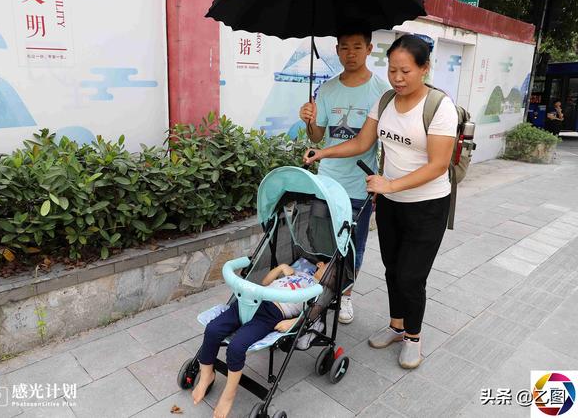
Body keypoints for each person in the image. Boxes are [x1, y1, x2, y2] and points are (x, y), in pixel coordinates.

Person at [304, 34, 458, 369]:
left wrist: (390, 183)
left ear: (425, 68)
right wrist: (323, 151)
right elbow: (362, 141)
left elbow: (438, 164)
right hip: (390, 202)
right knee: (392, 270)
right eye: (392, 71)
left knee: (411, 276)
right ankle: (396, 326)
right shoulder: (386, 101)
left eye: (406, 71)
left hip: (427, 205)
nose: (398, 78)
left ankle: (413, 338)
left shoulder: (440, 106)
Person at [298, 26, 389, 325]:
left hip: (359, 184)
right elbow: (318, 136)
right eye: (345, 47)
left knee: (353, 246)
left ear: (369, 48)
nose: (350, 54)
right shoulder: (326, 89)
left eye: (357, 47)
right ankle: (321, 293)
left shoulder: (381, 91)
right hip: (326, 181)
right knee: (322, 243)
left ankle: (345, 296)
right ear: (337, 50)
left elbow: (371, 143)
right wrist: (310, 120)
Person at [192, 258, 327, 418]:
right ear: (319, 264)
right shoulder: (296, 271)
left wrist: (293, 322)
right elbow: (265, 281)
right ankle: (207, 374)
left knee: (236, 346)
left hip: (272, 313)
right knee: (213, 329)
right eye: (329, 268)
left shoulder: (319, 290)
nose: (332, 273)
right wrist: (281, 267)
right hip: (252, 300)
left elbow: (314, 311)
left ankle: (229, 393)